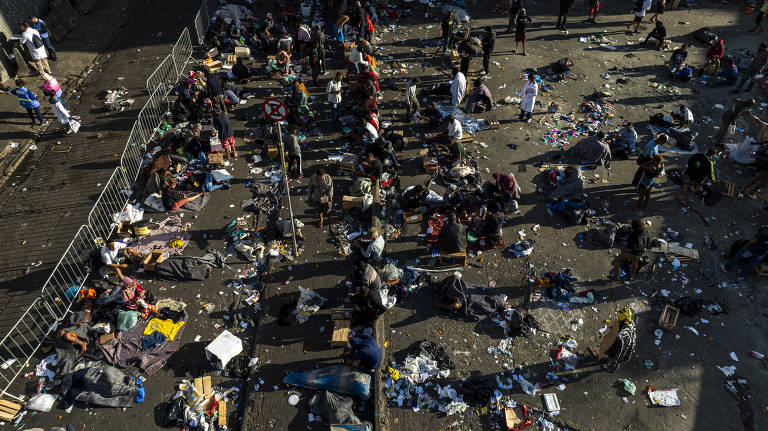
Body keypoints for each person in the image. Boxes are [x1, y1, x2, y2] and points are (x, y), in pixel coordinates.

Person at [604, 307, 636, 372]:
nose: (618, 319)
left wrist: (616, 358)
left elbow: (621, 350)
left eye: (619, 318)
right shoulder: (629, 322)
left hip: (623, 350)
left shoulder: (625, 333)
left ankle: (611, 369)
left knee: (615, 360)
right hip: (625, 346)